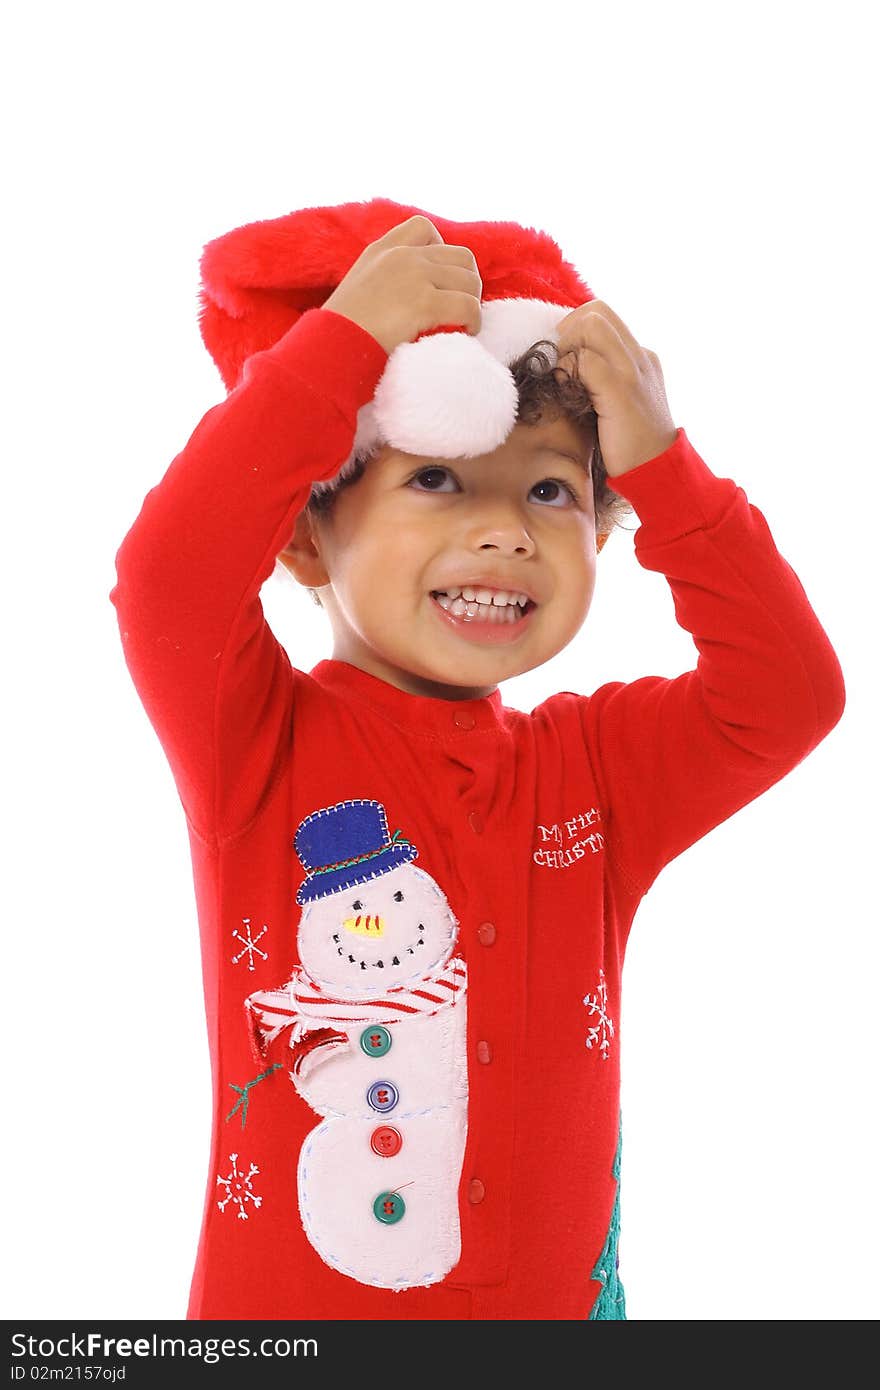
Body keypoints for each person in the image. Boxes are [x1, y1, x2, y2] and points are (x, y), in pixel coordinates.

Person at [109, 196, 845, 1320]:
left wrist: (668, 471)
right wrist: (338, 350)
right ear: (307, 537)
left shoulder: (593, 771)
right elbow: (170, 575)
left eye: (551, 490)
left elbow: (787, 695)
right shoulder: (251, 737)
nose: (503, 530)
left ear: (601, 533)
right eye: (436, 478)